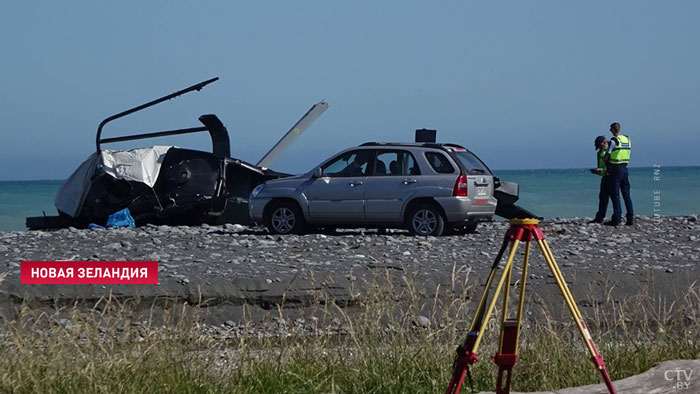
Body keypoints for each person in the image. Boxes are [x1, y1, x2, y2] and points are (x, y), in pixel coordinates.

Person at [603, 122, 634, 226]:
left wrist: (604, 160)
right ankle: (630, 217)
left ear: (613, 130)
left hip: (615, 169)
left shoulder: (614, 141)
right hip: (625, 168)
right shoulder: (627, 139)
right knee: (626, 195)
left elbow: (607, 155)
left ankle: (617, 218)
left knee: (615, 195)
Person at [588, 136, 610, 223]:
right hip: (605, 176)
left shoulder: (609, 151)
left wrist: (600, 170)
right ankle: (600, 217)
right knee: (603, 197)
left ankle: (617, 217)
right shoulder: (600, 153)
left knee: (614, 197)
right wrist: (597, 171)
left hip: (611, 175)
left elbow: (611, 166)